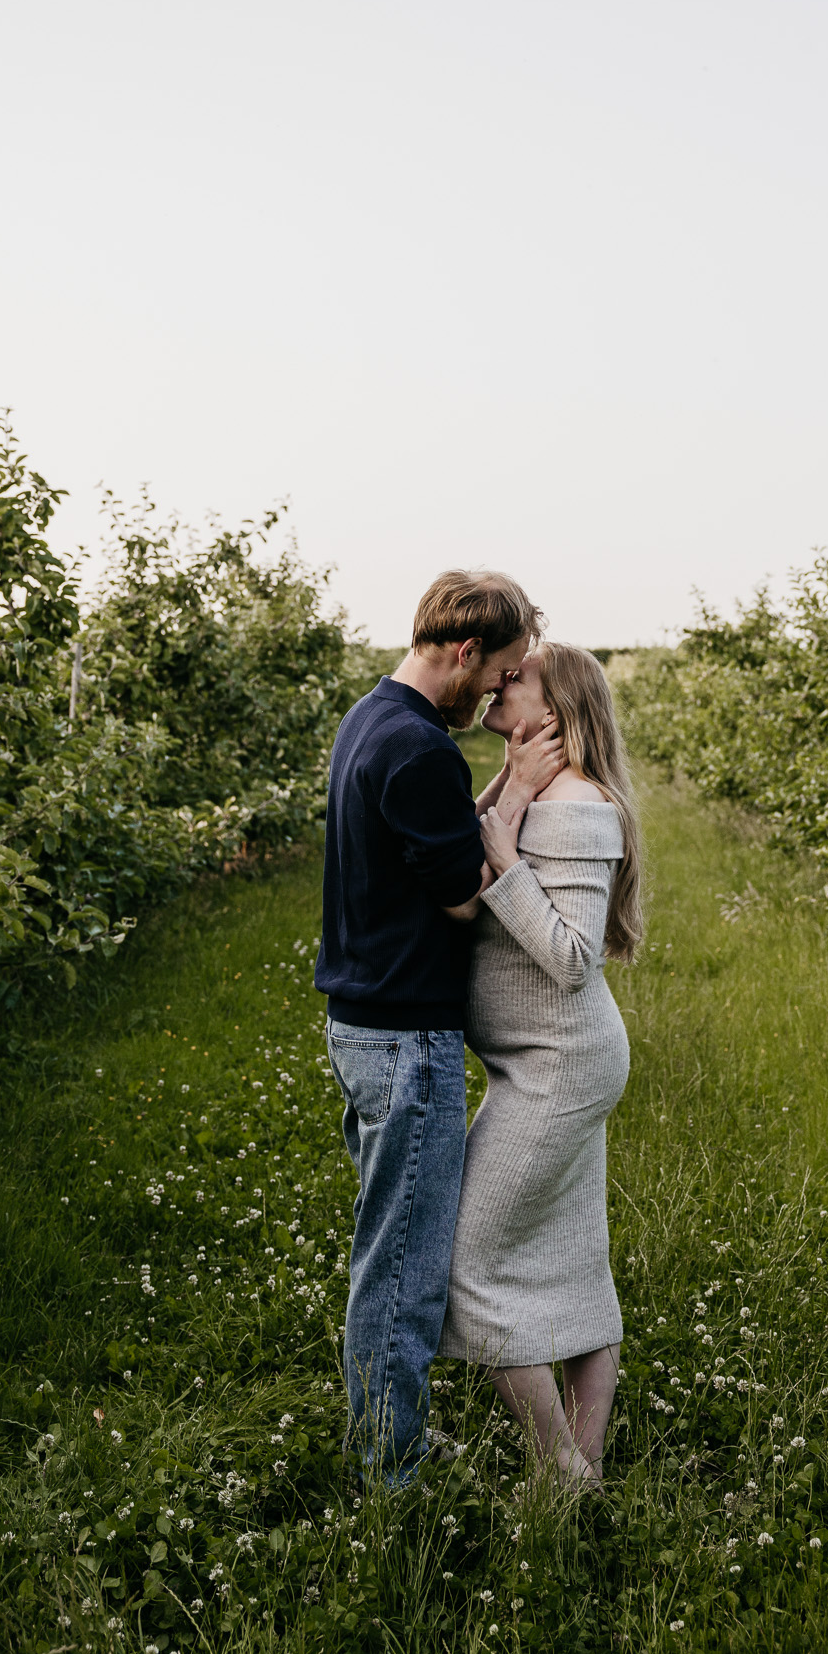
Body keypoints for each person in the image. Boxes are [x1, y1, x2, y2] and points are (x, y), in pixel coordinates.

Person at [315, 569, 565, 1483]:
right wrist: (526, 796)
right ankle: (390, 1474)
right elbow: (463, 895)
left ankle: (385, 1433)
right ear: (464, 653)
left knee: (391, 1248)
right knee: (406, 1274)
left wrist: (504, 778)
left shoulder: (374, 718)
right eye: (496, 676)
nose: (498, 693)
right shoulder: (421, 750)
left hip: (361, 1024)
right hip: (404, 1039)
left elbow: (437, 839)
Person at [439, 642, 644, 1488]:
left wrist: (509, 861)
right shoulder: (542, 795)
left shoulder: (576, 808)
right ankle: (583, 1473)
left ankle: (562, 1469)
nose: (497, 678)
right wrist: (503, 801)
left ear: (553, 711)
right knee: (570, 1260)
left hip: (559, 1065)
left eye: (515, 677)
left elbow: (568, 960)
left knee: (465, 1264)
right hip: (542, 1063)